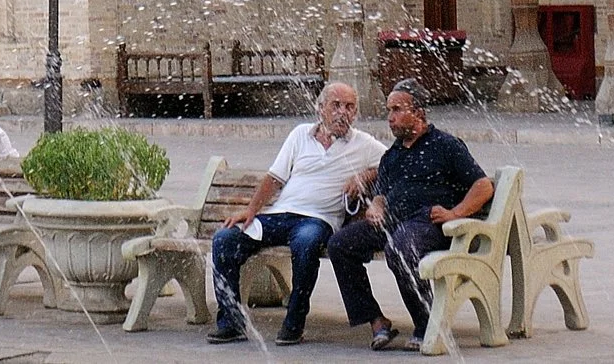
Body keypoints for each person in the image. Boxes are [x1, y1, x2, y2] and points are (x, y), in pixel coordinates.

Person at [209, 81, 384, 346]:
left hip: (319, 219)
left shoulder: (363, 144)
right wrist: (251, 211)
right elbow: (274, 178)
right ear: (321, 108)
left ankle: (294, 323)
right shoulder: (300, 134)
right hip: (281, 214)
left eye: (349, 107)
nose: (342, 112)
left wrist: (365, 173)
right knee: (224, 239)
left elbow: (393, 161)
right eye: (336, 105)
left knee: (306, 242)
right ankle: (231, 322)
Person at [326, 81, 492, 351]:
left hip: (427, 222)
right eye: (388, 110)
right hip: (393, 220)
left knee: (400, 248)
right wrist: (376, 206)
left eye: (397, 109)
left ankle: (425, 322)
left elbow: (483, 185)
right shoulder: (393, 154)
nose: (390, 117)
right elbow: (380, 193)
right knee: (340, 245)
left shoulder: (445, 145)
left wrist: (456, 212)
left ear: (419, 113)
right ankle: (376, 320)